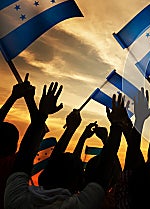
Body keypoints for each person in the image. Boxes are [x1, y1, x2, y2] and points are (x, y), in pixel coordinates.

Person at [4, 78, 127, 209]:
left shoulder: (16, 199)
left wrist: (45, 115)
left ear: (44, 173)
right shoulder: (78, 206)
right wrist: (116, 126)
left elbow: (24, 156)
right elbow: (104, 171)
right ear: (79, 183)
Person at [0, 74, 35, 209]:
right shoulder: (12, 166)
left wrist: (13, 96)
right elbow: (35, 134)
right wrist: (30, 101)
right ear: (15, 146)